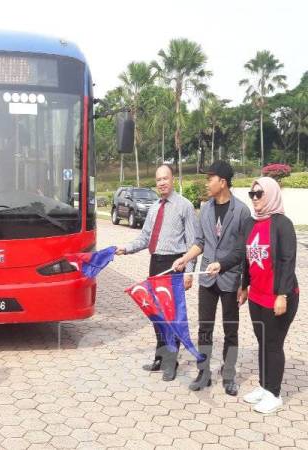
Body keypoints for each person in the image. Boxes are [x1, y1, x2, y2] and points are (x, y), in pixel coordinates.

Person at [207, 176, 299, 414]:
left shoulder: (282, 224)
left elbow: (288, 262)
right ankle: (263, 386)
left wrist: (283, 295)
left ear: (271, 194)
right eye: (252, 194)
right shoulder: (250, 223)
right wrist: (233, 275)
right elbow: (242, 254)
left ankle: (274, 394)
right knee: (262, 342)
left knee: (273, 343)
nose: (255, 198)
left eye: (260, 194)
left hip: (278, 296)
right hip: (257, 295)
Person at [171, 161, 251, 395]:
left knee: (231, 330)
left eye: (210, 178)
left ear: (223, 182)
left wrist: (244, 284)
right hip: (207, 278)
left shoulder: (242, 211)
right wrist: (185, 259)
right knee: (205, 328)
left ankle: (229, 375)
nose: (207, 183)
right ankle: (203, 372)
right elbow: (201, 242)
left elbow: (243, 252)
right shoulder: (205, 208)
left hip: (230, 280)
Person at [116, 164, 197, 382]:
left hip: (175, 264)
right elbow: (144, 238)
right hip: (156, 263)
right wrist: (126, 248)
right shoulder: (154, 208)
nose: (161, 183)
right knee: (156, 315)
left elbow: (193, 244)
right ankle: (160, 357)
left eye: (165, 178)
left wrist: (189, 272)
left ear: (173, 179)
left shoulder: (184, 206)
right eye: (158, 179)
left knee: (171, 315)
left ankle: (172, 362)